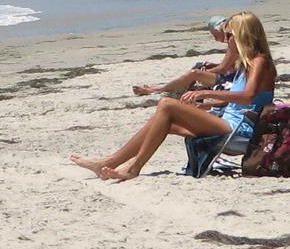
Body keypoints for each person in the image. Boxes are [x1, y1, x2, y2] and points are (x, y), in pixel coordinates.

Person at [70, 11, 276, 181]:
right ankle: (109, 162)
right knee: (162, 121)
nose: (227, 40)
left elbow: (248, 97)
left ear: (243, 35)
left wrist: (204, 92)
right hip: (228, 121)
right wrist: (208, 105)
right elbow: (245, 98)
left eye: (230, 35)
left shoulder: (260, 61)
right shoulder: (245, 62)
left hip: (239, 129)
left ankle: (134, 168)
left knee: (167, 104)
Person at [132, 16, 235, 96]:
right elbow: (231, 65)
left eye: (215, 35)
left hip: (232, 79)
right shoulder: (234, 40)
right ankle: (176, 88)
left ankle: (159, 89)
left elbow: (223, 68)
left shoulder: (233, 41)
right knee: (201, 65)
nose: (215, 39)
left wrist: (203, 73)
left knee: (194, 73)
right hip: (233, 75)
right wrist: (213, 66)